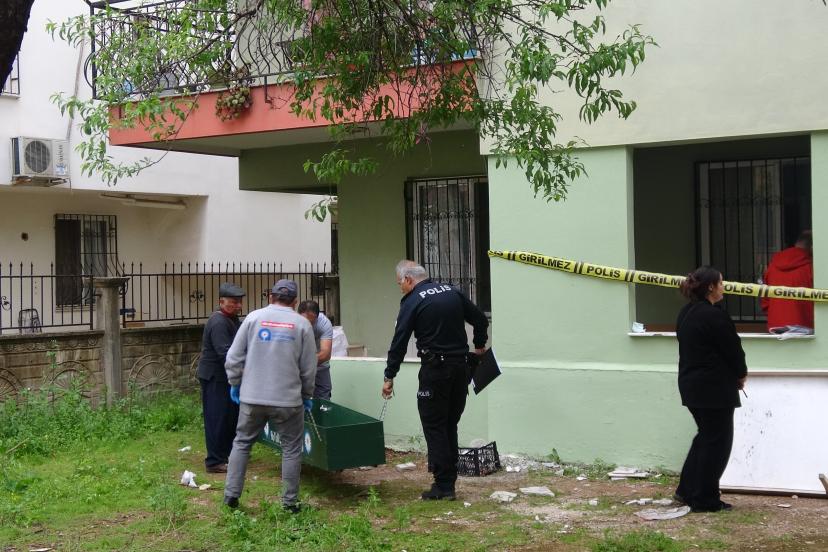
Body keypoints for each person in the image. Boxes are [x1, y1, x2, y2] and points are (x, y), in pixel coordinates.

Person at [381, 260, 489, 500]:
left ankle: (443, 485)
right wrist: (479, 346)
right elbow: (480, 320)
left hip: (436, 371)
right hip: (461, 369)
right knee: (449, 423)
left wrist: (390, 375)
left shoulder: (412, 300)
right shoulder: (452, 292)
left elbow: (400, 341)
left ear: (408, 279)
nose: (400, 288)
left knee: (435, 425)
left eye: (399, 284)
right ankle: (448, 481)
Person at [222, 279, 317, 512]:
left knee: (242, 443)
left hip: (252, 397)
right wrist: (307, 394)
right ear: (294, 301)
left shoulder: (253, 318)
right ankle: (289, 503)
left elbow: (233, 358)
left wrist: (235, 383)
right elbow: (309, 367)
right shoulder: (302, 325)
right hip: (288, 400)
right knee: (291, 448)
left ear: (270, 296)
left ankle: (231, 496)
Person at [674, 266, 748, 513]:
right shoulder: (715, 316)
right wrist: (740, 374)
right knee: (717, 443)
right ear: (710, 287)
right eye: (721, 283)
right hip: (714, 388)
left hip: (691, 384)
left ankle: (687, 490)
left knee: (705, 437)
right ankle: (705, 498)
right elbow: (733, 350)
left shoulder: (686, 313)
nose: (723, 287)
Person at [196, 282, 245, 474]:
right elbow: (225, 353)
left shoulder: (232, 319)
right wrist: (243, 370)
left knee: (229, 417)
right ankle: (214, 461)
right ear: (221, 301)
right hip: (215, 377)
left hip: (226, 377)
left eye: (239, 302)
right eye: (234, 302)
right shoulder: (218, 322)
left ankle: (227, 455)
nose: (238, 305)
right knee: (217, 418)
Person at [760, 230, 814, 332]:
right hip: (805, 326)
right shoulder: (812, 267)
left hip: (775, 326)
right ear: (812, 247)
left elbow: (765, 299)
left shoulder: (772, 266)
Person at [297, 300, 334, 400]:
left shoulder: (324, 323)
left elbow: (325, 354)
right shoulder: (292, 323)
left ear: (317, 317)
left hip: (319, 367)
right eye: (305, 321)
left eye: (311, 322)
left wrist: (304, 363)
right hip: (297, 369)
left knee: (323, 401)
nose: (308, 325)